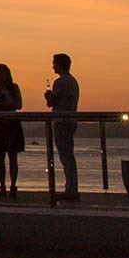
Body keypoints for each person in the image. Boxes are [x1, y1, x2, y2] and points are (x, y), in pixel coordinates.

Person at [44, 52, 81, 200]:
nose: (53, 65)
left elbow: (52, 102)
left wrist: (48, 97)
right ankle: (72, 187)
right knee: (69, 156)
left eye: (54, 63)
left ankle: (71, 190)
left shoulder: (60, 82)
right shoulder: (73, 81)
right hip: (71, 120)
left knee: (65, 157)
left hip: (62, 121)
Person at [0, 63, 24, 197]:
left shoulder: (14, 88)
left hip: (11, 124)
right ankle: (2, 185)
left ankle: (13, 185)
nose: (1, 76)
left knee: (13, 157)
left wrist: (8, 98)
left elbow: (19, 105)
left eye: (3, 73)